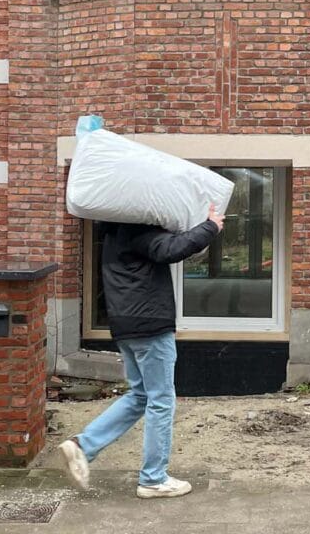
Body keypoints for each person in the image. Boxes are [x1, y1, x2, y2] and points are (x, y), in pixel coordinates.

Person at [58, 203, 224, 498]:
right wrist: (210, 226)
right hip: (150, 325)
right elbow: (172, 249)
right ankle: (153, 479)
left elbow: (171, 246)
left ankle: (83, 445)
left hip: (126, 323)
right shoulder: (138, 228)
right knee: (161, 400)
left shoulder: (114, 230)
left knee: (140, 395)